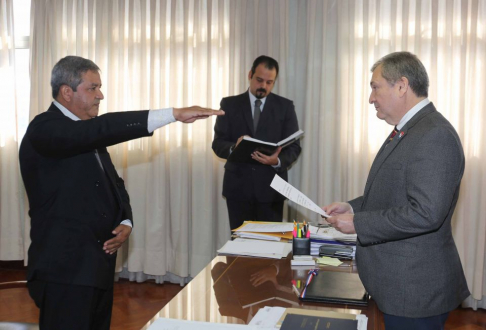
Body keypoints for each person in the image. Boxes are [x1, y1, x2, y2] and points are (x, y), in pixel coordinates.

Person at [19, 55, 223, 330]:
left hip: (97, 266)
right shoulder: (44, 128)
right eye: (92, 88)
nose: (100, 95)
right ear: (66, 92)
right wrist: (172, 114)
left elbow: (114, 184)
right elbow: (101, 129)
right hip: (65, 270)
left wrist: (125, 220)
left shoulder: (87, 132)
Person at [322, 51, 469, 330]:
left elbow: (426, 213)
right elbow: (393, 193)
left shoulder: (434, 135)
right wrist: (353, 207)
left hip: (413, 291)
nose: (371, 98)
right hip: (399, 285)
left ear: (401, 86)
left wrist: (358, 223)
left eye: (375, 87)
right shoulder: (410, 129)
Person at [212, 55, 301, 230]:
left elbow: (294, 147)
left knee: (271, 248)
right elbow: (217, 143)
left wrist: (277, 161)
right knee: (239, 247)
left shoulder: (285, 106)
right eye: (259, 80)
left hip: (272, 190)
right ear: (250, 75)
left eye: (269, 82)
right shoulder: (229, 104)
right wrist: (233, 148)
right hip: (238, 189)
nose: (263, 86)